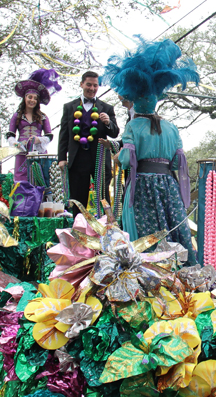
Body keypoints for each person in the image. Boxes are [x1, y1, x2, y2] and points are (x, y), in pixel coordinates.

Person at [104, 38, 198, 266]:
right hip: (168, 186)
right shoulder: (171, 127)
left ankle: (149, 272)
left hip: (143, 188)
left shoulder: (133, 126)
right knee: (174, 225)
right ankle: (183, 269)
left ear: (136, 100)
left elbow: (127, 159)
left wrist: (117, 157)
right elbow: (178, 162)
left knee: (146, 232)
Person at [58, 71, 120, 213]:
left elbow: (115, 133)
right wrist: (61, 158)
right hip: (77, 158)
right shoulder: (69, 107)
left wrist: (108, 123)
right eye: (89, 85)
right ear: (81, 84)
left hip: (99, 158)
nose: (92, 88)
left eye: (95, 85)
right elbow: (64, 134)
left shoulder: (107, 108)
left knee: (103, 197)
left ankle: (108, 228)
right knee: (77, 200)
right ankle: (78, 229)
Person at [8, 69, 61, 183]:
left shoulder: (43, 117)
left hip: (39, 153)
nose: (32, 100)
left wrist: (38, 140)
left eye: (35, 98)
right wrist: (15, 143)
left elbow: (49, 136)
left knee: (39, 179)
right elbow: (10, 134)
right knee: (21, 179)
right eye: (30, 97)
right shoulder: (17, 116)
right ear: (25, 98)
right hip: (22, 152)